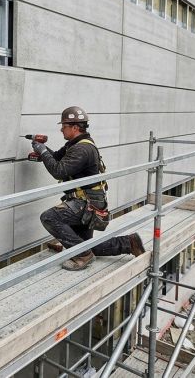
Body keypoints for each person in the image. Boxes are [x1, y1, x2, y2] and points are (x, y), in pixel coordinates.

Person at [33, 106, 145, 271]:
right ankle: (129, 243)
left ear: (75, 128)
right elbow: (56, 157)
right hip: (88, 201)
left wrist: (42, 152)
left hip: (86, 203)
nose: (61, 129)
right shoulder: (75, 144)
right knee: (86, 245)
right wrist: (41, 148)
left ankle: (82, 256)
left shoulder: (82, 149)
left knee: (49, 217)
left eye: (64, 126)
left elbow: (59, 171)